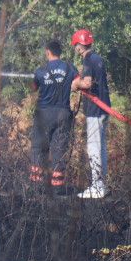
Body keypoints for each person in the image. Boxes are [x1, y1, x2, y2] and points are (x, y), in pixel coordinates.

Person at [30, 39, 78, 190]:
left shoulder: (41, 70)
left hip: (44, 113)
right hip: (63, 114)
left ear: (47, 52)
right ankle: (58, 188)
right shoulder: (70, 68)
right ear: (60, 52)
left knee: (39, 148)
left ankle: (37, 187)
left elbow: (33, 88)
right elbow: (79, 83)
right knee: (59, 149)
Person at [70, 28, 110, 199]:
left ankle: (97, 186)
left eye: (76, 46)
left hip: (95, 110)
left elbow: (86, 83)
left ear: (79, 46)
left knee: (93, 147)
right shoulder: (97, 58)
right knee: (101, 148)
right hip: (104, 108)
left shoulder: (87, 60)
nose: (76, 49)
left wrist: (75, 84)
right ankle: (102, 185)